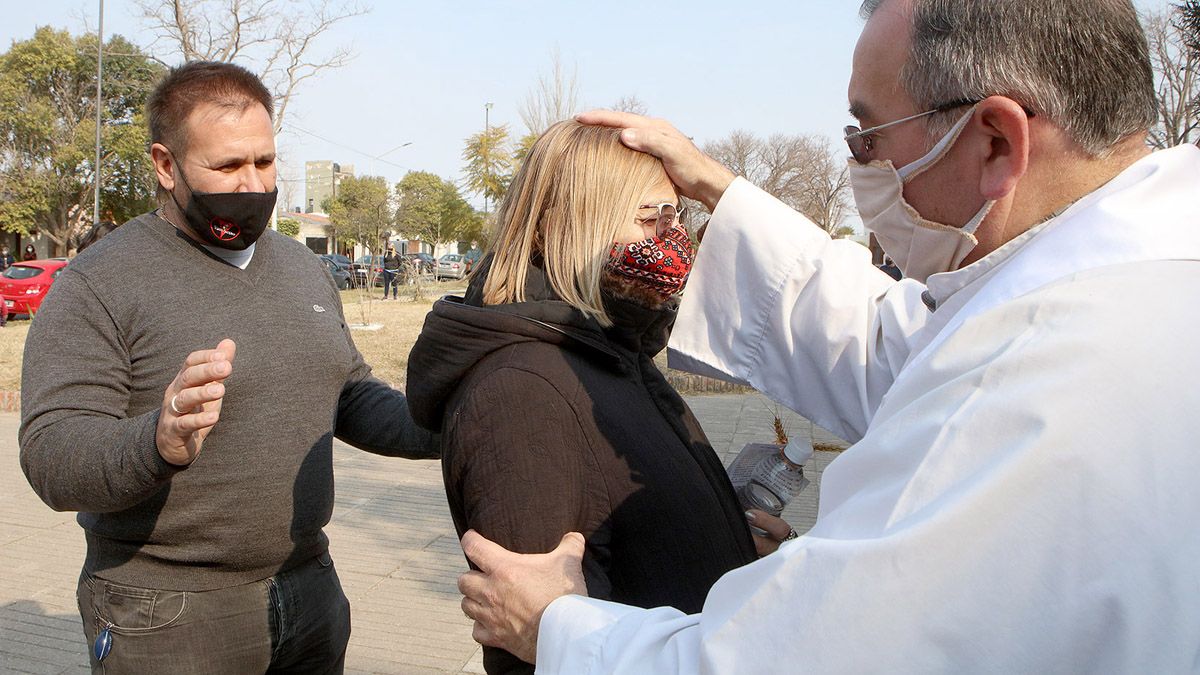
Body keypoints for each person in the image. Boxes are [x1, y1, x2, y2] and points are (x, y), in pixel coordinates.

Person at [454, 0, 1200, 672]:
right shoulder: (1123, 288)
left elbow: (786, 657)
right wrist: (721, 186)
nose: (860, 167)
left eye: (867, 137)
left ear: (998, 142)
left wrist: (556, 626)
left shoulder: (1041, 376)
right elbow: (894, 348)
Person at [19, 61, 436, 674]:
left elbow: (347, 395)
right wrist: (157, 441)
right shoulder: (97, 283)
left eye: (264, 163)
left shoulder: (299, 266)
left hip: (310, 590)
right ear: (166, 165)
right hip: (166, 613)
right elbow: (52, 456)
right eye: (226, 167)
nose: (251, 185)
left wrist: (453, 422)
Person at [406, 121, 782, 674]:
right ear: (566, 225)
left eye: (676, 216)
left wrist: (722, 546)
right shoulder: (521, 394)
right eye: (649, 218)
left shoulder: (614, 347)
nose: (673, 238)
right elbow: (533, 645)